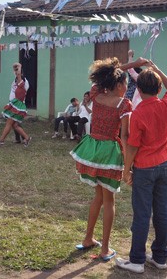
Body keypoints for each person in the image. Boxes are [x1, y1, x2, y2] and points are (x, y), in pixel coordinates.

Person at [117, 61, 167, 274]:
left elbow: (133, 145)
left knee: (142, 214)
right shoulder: (165, 104)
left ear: (138, 90)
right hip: (164, 165)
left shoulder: (138, 112)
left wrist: (126, 170)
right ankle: (160, 257)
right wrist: (158, 70)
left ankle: (137, 260)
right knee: (162, 212)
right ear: (158, 89)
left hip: (144, 168)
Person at [70, 57, 130, 262]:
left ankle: (88, 238)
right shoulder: (124, 103)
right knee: (109, 200)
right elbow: (124, 136)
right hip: (109, 153)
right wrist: (128, 163)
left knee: (98, 197)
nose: (127, 87)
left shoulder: (96, 96)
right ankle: (104, 249)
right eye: (126, 83)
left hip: (92, 150)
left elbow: (99, 82)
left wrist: (119, 69)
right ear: (119, 84)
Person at [0, 63, 31, 146]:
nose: (16, 79)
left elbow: (18, 75)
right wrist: (15, 69)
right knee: (15, 125)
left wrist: (19, 67)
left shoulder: (22, 84)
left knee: (9, 123)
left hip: (18, 106)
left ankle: (1, 140)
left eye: (18, 77)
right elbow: (17, 75)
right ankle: (26, 138)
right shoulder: (19, 84)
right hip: (17, 105)